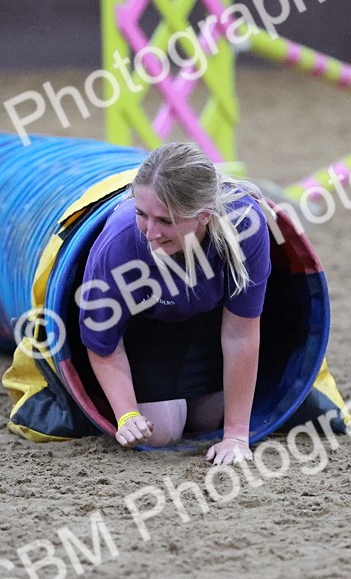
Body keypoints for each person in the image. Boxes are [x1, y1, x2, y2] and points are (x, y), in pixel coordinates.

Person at [77, 142, 274, 466]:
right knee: (161, 432)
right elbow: (102, 341)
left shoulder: (244, 225)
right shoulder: (122, 241)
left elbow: (241, 332)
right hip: (143, 328)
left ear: (204, 216)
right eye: (142, 214)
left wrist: (236, 435)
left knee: (212, 418)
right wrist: (126, 415)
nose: (151, 233)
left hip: (205, 325)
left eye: (165, 221)